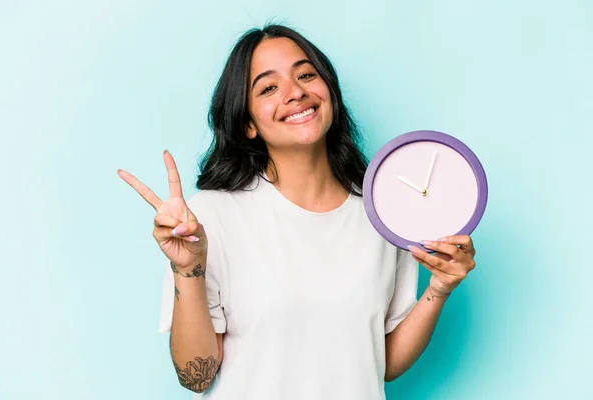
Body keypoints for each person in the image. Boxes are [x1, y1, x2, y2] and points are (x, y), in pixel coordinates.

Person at [117, 24, 477, 400]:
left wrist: (439, 288)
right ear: (248, 123)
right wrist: (188, 267)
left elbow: (380, 363)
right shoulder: (211, 216)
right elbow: (196, 377)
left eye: (306, 75)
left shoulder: (382, 212)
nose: (296, 92)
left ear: (330, 94)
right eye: (269, 88)